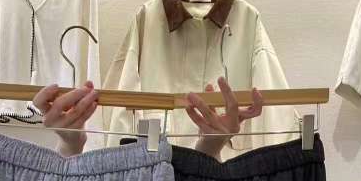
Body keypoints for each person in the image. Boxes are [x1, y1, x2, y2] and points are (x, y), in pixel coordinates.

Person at [31, 76, 263, 158]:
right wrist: (71, 143)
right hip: (135, 160)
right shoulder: (146, 19)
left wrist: (210, 150)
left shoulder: (246, 19)